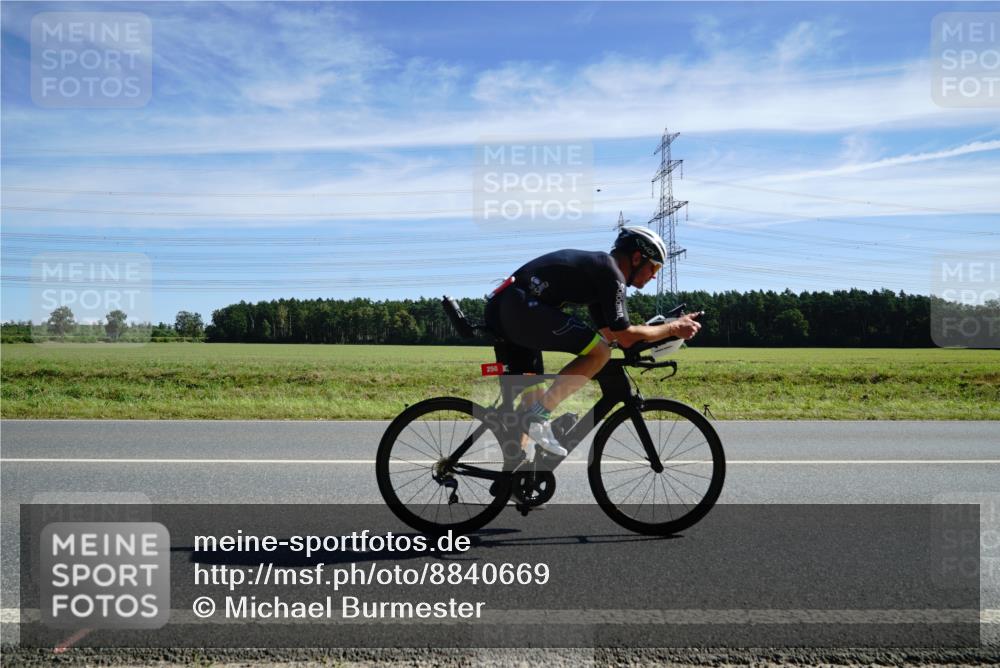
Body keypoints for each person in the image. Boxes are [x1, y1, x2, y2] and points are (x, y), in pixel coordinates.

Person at [483, 226, 703, 457]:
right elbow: (625, 336)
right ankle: (538, 417)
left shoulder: (599, 274)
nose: (655, 275)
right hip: (520, 309)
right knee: (599, 353)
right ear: (637, 258)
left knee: (534, 396)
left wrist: (668, 329)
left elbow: (614, 335)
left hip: (508, 308)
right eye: (654, 266)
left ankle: (516, 474)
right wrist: (673, 328)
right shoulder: (611, 274)